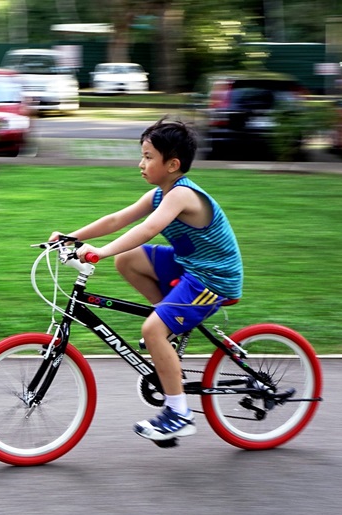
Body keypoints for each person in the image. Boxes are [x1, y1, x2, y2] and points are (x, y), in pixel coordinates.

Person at [48, 117, 243, 443]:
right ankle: (166, 326)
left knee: (151, 328)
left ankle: (179, 413)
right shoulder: (158, 194)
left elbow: (147, 229)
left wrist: (101, 252)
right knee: (128, 260)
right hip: (189, 266)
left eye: (148, 157)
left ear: (172, 164)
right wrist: (70, 237)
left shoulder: (182, 196)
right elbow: (117, 219)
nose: (141, 163)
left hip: (213, 279)